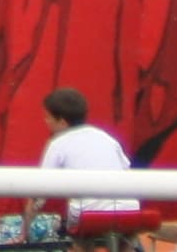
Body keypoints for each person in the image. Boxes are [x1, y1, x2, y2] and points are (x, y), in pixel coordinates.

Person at [36, 89, 139, 222]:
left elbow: (39, 193)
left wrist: (24, 229)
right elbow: (127, 170)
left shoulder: (57, 144)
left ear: (62, 122)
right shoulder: (107, 138)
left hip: (89, 217)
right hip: (130, 211)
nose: (45, 121)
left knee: (69, 227)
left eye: (47, 117)